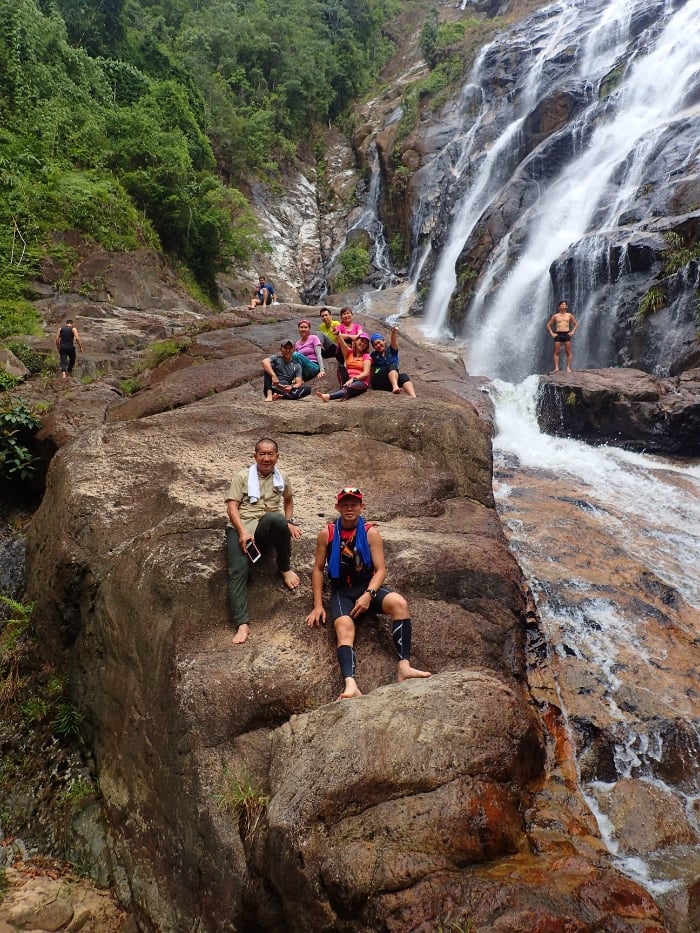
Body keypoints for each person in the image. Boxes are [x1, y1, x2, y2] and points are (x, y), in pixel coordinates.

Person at [306, 487, 431, 698]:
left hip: (367, 587)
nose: (349, 508)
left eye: (353, 504)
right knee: (344, 626)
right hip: (342, 591)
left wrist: (368, 594)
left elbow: (380, 569)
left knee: (399, 604)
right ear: (337, 507)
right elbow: (318, 569)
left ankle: (404, 666)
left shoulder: (370, 532)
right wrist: (318, 605)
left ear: (361, 507)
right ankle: (350, 684)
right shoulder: (326, 533)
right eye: (344, 504)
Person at [225, 438, 302, 645]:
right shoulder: (242, 477)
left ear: (277, 456)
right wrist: (241, 531)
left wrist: (289, 521)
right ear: (255, 456)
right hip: (242, 527)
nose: (266, 458)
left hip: (264, 527)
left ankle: (284, 568)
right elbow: (232, 507)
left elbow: (288, 499)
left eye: (270, 454)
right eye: (262, 454)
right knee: (238, 570)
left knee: (278, 520)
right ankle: (242, 624)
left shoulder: (282, 477)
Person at [315, 331, 371, 402]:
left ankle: (329, 396)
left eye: (365, 343)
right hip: (347, 379)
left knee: (351, 386)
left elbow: (366, 373)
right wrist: (338, 334)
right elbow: (342, 343)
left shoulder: (366, 356)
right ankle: (344, 391)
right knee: (341, 368)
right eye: (361, 341)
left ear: (367, 346)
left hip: (360, 381)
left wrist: (354, 379)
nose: (363, 344)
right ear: (356, 341)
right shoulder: (349, 353)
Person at [370, 327, 417, 397]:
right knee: (392, 365)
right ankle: (395, 386)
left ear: (384, 341)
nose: (378, 345)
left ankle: (413, 396)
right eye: (375, 345)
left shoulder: (392, 350)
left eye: (379, 342)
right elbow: (371, 370)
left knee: (404, 376)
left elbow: (394, 342)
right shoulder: (373, 355)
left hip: (388, 382)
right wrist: (369, 384)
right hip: (378, 380)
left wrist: (393, 333)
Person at [546, 300, 579, 373]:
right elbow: (548, 325)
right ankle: (556, 368)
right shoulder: (556, 316)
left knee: (568, 352)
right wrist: (552, 333)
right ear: (559, 306)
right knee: (556, 352)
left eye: (564, 304)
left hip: (566, 334)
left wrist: (573, 331)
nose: (562, 305)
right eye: (561, 304)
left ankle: (568, 368)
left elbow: (576, 324)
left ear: (566, 306)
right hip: (558, 334)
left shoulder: (569, 315)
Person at [335, 307, 363, 384]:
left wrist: (354, 337)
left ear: (352, 315)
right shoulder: (339, 327)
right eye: (344, 314)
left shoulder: (357, 326)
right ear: (341, 317)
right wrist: (350, 336)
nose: (346, 315)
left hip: (354, 351)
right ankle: (346, 361)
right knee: (347, 340)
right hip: (341, 353)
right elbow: (338, 335)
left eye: (348, 313)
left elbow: (360, 334)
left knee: (359, 340)